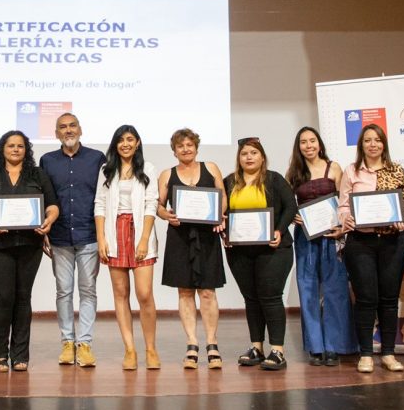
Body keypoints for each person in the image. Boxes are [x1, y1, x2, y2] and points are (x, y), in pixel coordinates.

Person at [0, 131, 59, 372]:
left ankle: (20, 355)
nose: (16, 149)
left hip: (30, 244)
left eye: (21, 146)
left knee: (23, 298)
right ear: (2, 148)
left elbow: (53, 204)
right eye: (11, 145)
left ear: (27, 149)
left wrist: (49, 221)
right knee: (4, 297)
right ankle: (0, 356)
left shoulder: (38, 174)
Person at [338, 123, 404, 374]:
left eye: (377, 140)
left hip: (392, 242)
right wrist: (345, 218)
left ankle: (389, 353)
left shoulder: (396, 170)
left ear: (384, 144)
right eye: (368, 140)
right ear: (361, 145)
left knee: (389, 299)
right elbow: (343, 205)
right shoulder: (352, 171)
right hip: (361, 243)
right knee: (366, 299)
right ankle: (366, 353)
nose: (373, 144)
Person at [285, 127, 356, 367]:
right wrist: (294, 215)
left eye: (312, 140)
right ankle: (315, 347)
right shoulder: (294, 172)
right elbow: (286, 203)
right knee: (308, 290)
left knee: (335, 289)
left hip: (331, 234)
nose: (308, 145)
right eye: (303, 142)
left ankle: (334, 346)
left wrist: (342, 226)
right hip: (306, 236)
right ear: (298, 146)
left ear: (319, 143)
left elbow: (345, 200)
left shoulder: (333, 167)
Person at [156, 128, 227, 370]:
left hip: (207, 237)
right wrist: (165, 214)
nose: (185, 149)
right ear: (174, 150)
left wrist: (220, 215)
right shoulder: (167, 174)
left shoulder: (211, 168)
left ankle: (212, 343)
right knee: (184, 292)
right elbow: (158, 205)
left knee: (207, 291)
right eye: (180, 146)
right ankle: (192, 344)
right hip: (179, 237)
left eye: (189, 145)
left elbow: (223, 197)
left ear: (196, 147)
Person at [224, 137, 296, 371]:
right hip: (239, 251)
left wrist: (279, 230)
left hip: (274, 249)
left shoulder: (274, 179)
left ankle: (277, 351)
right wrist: (224, 232)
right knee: (251, 299)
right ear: (239, 158)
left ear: (262, 157)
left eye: (254, 153)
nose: (249, 157)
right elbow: (220, 213)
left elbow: (290, 207)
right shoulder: (229, 182)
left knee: (271, 297)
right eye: (244, 153)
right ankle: (257, 347)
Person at [39, 113, 105, 368]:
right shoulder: (47, 161)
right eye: (62, 127)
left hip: (89, 235)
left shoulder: (97, 159)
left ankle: (85, 344)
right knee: (64, 291)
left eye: (72, 126)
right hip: (59, 237)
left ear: (80, 129)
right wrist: (43, 231)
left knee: (88, 291)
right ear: (56, 133)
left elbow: (105, 195)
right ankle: (67, 343)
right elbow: (42, 199)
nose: (68, 130)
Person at [94, 125, 160, 370]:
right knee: (121, 294)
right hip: (115, 232)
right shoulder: (106, 170)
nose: (125, 144)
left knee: (144, 294)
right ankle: (130, 350)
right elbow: (99, 205)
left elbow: (152, 204)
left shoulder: (148, 168)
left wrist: (144, 239)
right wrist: (102, 238)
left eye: (130, 139)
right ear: (115, 144)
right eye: (121, 140)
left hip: (140, 230)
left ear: (138, 143)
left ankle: (151, 349)